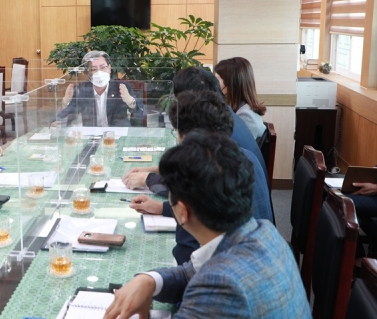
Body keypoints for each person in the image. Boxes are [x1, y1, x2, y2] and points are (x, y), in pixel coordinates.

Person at [103, 131, 311, 319]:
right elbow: (192, 271)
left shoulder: (220, 287)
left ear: (182, 212)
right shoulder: (263, 231)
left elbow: (212, 283)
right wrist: (150, 281)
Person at [129, 90, 273, 264]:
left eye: (177, 133)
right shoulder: (243, 157)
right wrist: (162, 208)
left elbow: (187, 264)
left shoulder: (204, 173)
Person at [121, 66, 268, 191]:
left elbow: (193, 189)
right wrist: (154, 171)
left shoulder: (214, 133)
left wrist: (149, 179)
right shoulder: (222, 114)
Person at [54, 50, 145, 127]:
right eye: (94, 69)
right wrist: (65, 102)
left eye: (103, 67)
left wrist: (130, 101)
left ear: (109, 68)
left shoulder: (121, 87)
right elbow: (65, 116)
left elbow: (142, 113)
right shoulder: (83, 89)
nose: (99, 72)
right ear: (86, 73)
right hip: (91, 137)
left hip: (117, 135)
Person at [215, 57, 266, 139]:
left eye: (217, 80)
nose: (214, 84)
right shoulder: (241, 109)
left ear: (231, 83)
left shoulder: (246, 116)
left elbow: (238, 149)